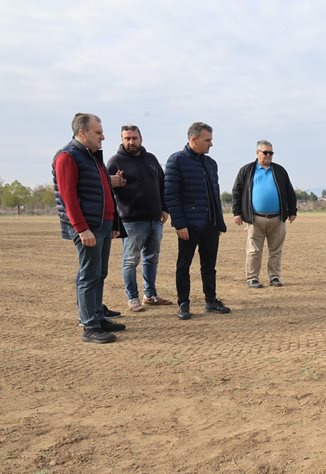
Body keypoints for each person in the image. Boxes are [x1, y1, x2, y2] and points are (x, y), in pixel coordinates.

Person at [53, 113, 126, 343]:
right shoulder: (68, 156)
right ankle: (90, 326)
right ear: (82, 132)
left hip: (102, 224)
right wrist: (81, 229)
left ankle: (98, 316)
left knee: (99, 273)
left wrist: (113, 223)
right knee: (89, 275)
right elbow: (68, 197)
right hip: (88, 227)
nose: (103, 137)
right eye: (98, 132)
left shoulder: (93, 157)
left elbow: (105, 192)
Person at [165, 122, 230, 320]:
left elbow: (214, 195)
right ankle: (183, 304)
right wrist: (179, 224)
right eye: (207, 140)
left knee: (209, 265)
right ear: (194, 139)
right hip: (189, 225)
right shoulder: (176, 160)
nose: (211, 144)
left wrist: (218, 223)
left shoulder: (211, 163)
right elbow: (171, 194)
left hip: (210, 224)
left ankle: (211, 300)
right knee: (183, 266)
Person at [107, 124, 172, 312]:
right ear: (122, 140)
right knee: (130, 261)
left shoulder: (151, 159)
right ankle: (132, 298)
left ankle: (150, 296)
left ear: (140, 139)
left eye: (134, 138)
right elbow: (106, 190)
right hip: (131, 221)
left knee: (152, 259)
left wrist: (165, 208)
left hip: (155, 220)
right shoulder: (115, 162)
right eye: (127, 138)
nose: (131, 142)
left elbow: (163, 184)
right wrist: (115, 184)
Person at [232, 140, 298, 288]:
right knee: (253, 251)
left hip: (277, 218)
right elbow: (237, 191)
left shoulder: (280, 171)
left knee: (276, 251)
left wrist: (292, 211)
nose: (268, 155)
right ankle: (252, 278)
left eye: (271, 153)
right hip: (255, 219)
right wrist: (237, 212)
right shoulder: (247, 170)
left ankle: (274, 277)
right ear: (257, 153)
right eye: (265, 152)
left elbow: (290, 191)